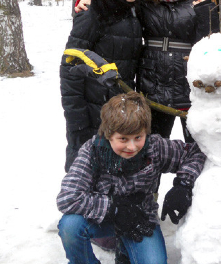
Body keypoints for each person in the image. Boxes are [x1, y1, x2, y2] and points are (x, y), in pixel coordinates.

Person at [76, 0, 214, 143]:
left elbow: (211, 42)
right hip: (153, 83)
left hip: (190, 84)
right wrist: (90, 0)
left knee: (197, 151)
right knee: (151, 151)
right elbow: (117, 0)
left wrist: (207, 11)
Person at [57, 91, 206, 264]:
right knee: (70, 226)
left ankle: (125, 251)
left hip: (141, 220)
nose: (132, 146)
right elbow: (68, 197)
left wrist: (183, 184)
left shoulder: (154, 147)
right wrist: (115, 208)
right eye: (123, 139)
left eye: (138, 137)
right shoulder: (92, 152)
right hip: (104, 218)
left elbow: (195, 152)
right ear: (108, 135)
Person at [60, 0, 145, 172]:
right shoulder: (93, 12)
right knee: (86, 173)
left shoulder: (133, 9)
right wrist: (77, 122)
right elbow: (70, 66)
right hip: (90, 114)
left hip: (119, 110)